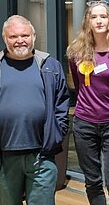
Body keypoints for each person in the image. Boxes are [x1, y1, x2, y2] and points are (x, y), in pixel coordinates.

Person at [0, 15, 70, 205]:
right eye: (13, 36)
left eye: (25, 35)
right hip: (4, 159)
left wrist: (57, 134)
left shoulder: (50, 66)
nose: (20, 41)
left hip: (42, 157)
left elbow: (61, 104)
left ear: (34, 36)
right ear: (4, 38)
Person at [67, 1, 109, 205]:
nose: (99, 21)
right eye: (94, 17)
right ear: (88, 21)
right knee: (92, 181)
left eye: (103, 16)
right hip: (84, 123)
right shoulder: (76, 51)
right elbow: (79, 85)